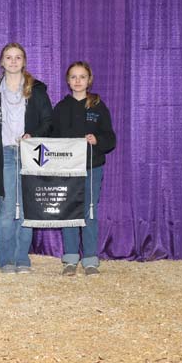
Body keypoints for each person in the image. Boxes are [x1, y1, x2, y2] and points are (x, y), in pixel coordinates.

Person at [0, 42, 52, 273]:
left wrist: (34, 135)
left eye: (17, 57)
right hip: (5, 155)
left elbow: (49, 121)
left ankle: (22, 259)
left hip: (30, 154)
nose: (13, 61)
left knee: (27, 208)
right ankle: (6, 260)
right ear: (2, 62)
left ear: (24, 61)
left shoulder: (37, 90)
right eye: (8, 57)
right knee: (8, 208)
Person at [52, 61, 116, 276]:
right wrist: (31, 137)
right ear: (68, 81)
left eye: (82, 77)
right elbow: (50, 134)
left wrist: (97, 139)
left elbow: (110, 137)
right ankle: (70, 258)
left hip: (91, 167)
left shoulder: (98, 106)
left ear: (89, 80)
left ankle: (90, 259)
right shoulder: (61, 107)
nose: (77, 81)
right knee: (69, 212)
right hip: (67, 168)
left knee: (89, 211)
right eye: (73, 77)